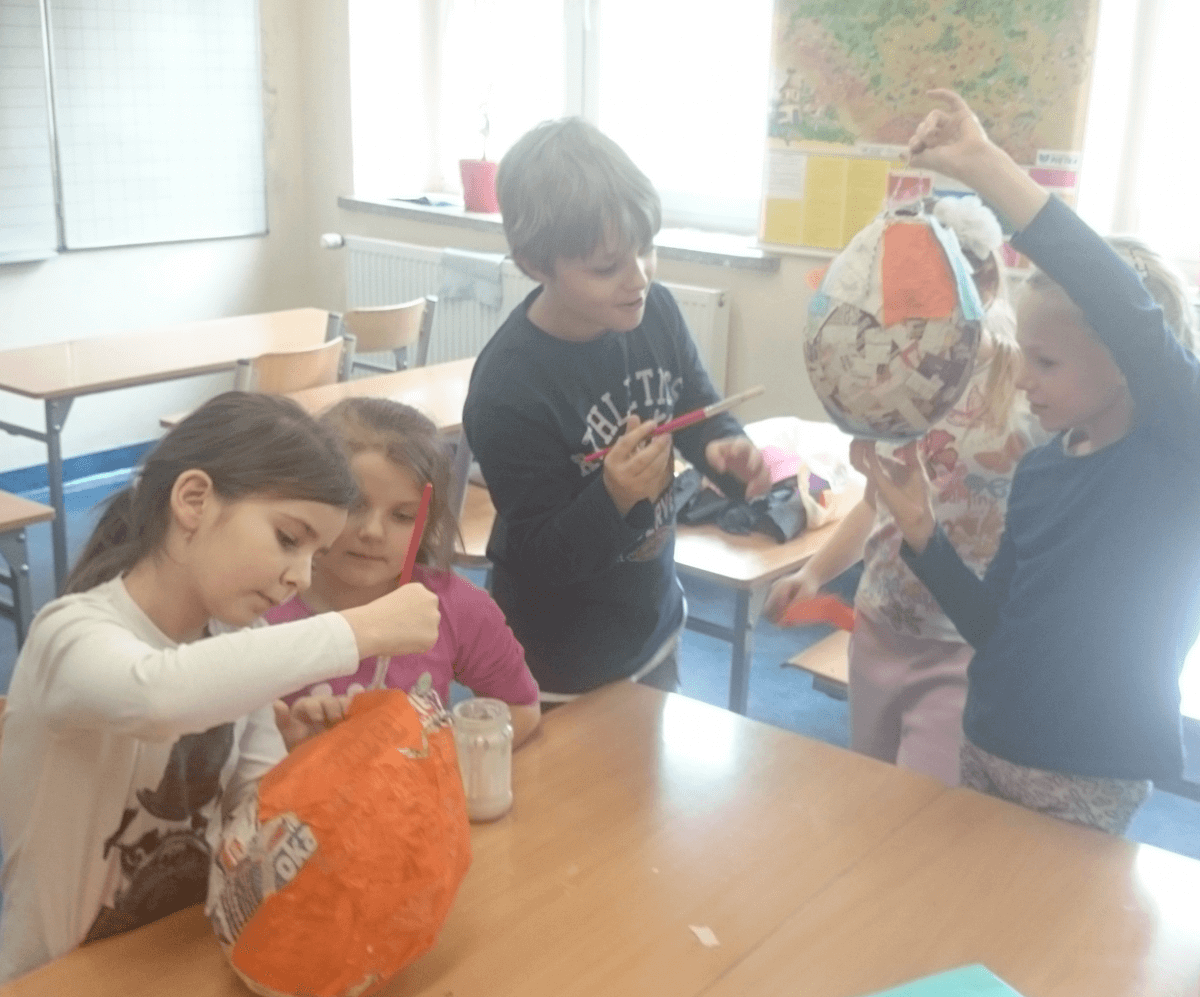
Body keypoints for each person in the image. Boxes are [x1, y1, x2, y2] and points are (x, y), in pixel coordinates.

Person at [0, 392, 442, 983]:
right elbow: (157, 696)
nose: (301, 577)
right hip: (55, 986)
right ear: (194, 500)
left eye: (316, 555)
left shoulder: (242, 642)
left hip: (186, 960)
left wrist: (306, 765)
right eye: (289, 539)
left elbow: (252, 824)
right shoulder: (68, 633)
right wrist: (359, 629)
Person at [856, 89, 1199, 833]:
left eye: (1045, 362)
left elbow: (1122, 306)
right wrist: (922, 532)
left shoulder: (1178, 454)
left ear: (1126, 363)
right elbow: (993, 626)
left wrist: (988, 168)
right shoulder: (1043, 467)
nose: (1023, 380)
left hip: (1086, 773)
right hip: (988, 743)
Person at [462, 117, 771, 700]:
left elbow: (695, 404)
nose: (638, 279)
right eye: (606, 267)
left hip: (652, 625)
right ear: (535, 264)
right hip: (554, 663)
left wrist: (721, 447)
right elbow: (538, 553)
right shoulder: (508, 388)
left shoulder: (657, 312)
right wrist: (614, 498)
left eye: (646, 249)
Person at [766, 195, 1044, 785]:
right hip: (880, 627)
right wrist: (813, 574)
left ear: (982, 284)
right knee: (871, 795)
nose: (906, 327)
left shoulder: (1026, 392)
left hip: (959, 646)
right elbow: (876, 505)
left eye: (924, 306)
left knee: (921, 805)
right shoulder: (896, 383)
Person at [266, 397, 540, 746]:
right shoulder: (259, 607)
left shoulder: (457, 608)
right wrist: (283, 742)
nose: (372, 532)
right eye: (353, 505)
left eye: (402, 516)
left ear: (426, 524)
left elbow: (521, 708)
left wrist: (435, 755)